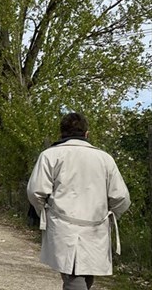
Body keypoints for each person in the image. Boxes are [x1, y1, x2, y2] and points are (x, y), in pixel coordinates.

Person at [27, 112, 130, 290]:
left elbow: (36, 191)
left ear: (61, 133)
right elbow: (121, 197)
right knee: (80, 275)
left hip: (63, 226)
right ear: (86, 133)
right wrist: (110, 217)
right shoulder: (105, 159)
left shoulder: (50, 155)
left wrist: (44, 213)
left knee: (76, 277)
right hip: (96, 227)